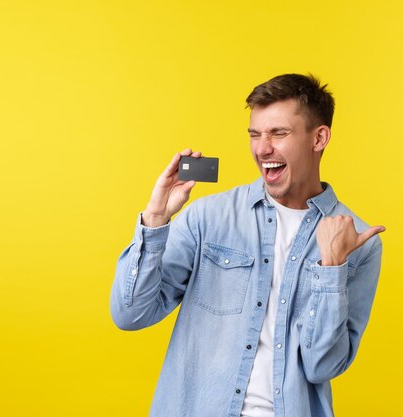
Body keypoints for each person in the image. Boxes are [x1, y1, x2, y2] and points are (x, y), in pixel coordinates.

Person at [110, 73, 385, 417]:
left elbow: (322, 367)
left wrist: (332, 269)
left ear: (319, 138)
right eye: (255, 134)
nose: (262, 148)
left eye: (278, 133)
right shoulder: (209, 217)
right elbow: (130, 314)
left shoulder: (358, 242)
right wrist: (154, 220)